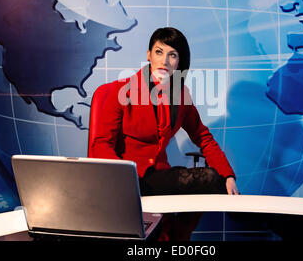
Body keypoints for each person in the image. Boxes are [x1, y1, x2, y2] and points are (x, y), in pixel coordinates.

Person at [89, 27, 239, 240]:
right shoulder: (119, 91)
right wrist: (124, 183)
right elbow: (101, 145)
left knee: (214, 179)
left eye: (172, 55)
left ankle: (178, 235)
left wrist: (228, 175)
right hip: (131, 180)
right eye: (159, 52)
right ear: (148, 55)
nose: (164, 61)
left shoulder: (180, 95)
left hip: (159, 178)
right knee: (207, 180)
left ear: (180, 62)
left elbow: (203, 137)